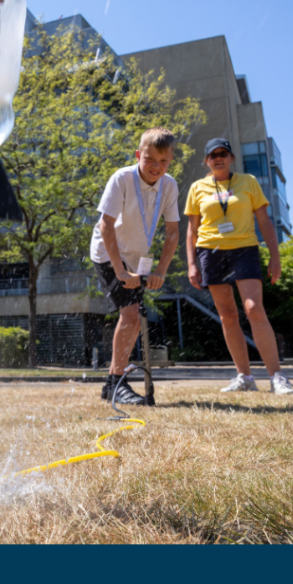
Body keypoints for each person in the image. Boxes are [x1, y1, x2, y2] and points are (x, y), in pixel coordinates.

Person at [184, 138, 293, 394]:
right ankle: (245, 377)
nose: (218, 158)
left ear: (231, 157)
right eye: (213, 155)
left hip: (244, 249)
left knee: (254, 309)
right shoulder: (197, 187)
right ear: (206, 161)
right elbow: (192, 229)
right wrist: (191, 263)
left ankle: (277, 376)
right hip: (210, 251)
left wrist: (275, 256)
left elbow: (265, 222)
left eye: (223, 153)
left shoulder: (248, 182)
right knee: (228, 315)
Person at [90, 128, 180, 405]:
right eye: (150, 159)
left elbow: (173, 232)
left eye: (163, 162)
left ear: (170, 161)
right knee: (130, 316)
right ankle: (118, 384)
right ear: (139, 155)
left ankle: (110, 385)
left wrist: (161, 272)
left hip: (139, 257)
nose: (156, 167)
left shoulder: (170, 186)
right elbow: (106, 225)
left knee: (134, 319)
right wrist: (119, 270)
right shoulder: (122, 179)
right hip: (108, 252)